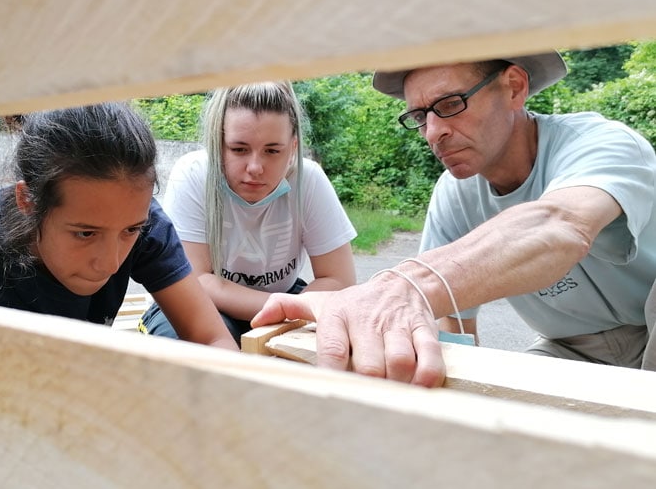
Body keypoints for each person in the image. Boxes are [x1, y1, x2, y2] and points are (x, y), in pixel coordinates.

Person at [252, 51, 656, 385]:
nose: (433, 133)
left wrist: (404, 286)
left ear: (514, 87)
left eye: (449, 105)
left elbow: (560, 226)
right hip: (572, 347)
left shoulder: (601, 144)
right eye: (421, 116)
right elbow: (454, 326)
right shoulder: (454, 194)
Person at [0, 102, 237, 350]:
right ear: (27, 200)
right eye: (85, 233)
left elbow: (211, 337)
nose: (111, 263)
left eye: (130, 231)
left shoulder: (141, 218)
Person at [140, 81, 357, 344]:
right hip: (200, 304)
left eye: (272, 151)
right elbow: (194, 280)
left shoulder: (308, 178)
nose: (255, 167)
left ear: (293, 148)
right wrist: (285, 307)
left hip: (284, 300)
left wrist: (287, 307)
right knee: (197, 358)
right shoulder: (193, 174)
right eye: (239, 149)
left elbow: (339, 279)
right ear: (217, 144)